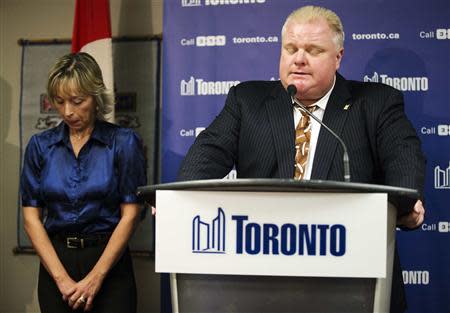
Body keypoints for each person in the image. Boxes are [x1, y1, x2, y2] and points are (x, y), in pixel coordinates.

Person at [177, 5, 426, 313]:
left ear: (338, 57)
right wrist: (177, 200)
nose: (299, 59)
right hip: (262, 271)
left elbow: (403, 153)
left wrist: (407, 198)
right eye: (291, 48)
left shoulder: (375, 103)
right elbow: (207, 154)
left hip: (350, 274)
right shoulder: (248, 101)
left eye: (313, 50)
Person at [20, 52, 147, 313]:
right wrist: (62, 280)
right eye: (59, 101)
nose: (68, 111)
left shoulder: (123, 143)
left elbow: (131, 214)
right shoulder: (40, 147)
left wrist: (96, 278)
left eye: (78, 101)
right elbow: (31, 218)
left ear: (96, 97)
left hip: (109, 264)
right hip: (56, 264)